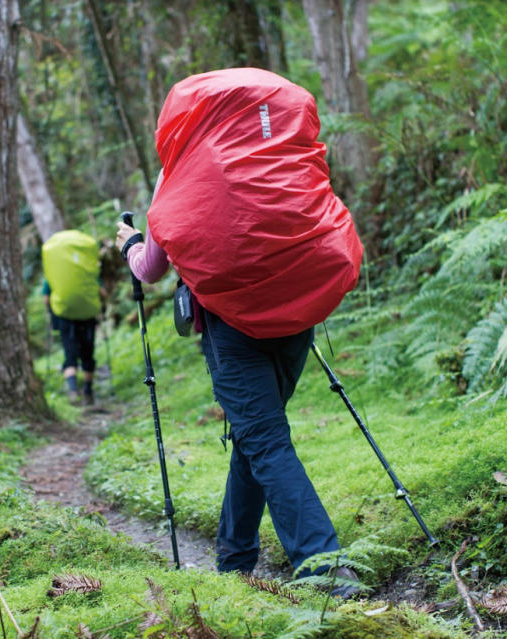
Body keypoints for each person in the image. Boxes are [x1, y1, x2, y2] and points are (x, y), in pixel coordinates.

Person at [115, 68, 362, 597]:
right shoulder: (280, 153)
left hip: (231, 327)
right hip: (298, 312)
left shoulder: (180, 170)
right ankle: (235, 560)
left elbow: (152, 268)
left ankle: (327, 571)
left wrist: (131, 243)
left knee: (264, 438)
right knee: (257, 434)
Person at [42, 230, 103, 405]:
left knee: (70, 353)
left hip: (64, 316)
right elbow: (101, 291)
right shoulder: (87, 270)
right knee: (87, 354)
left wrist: (50, 312)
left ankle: (73, 391)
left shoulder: (55, 275)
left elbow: (46, 297)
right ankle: (88, 391)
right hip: (88, 315)